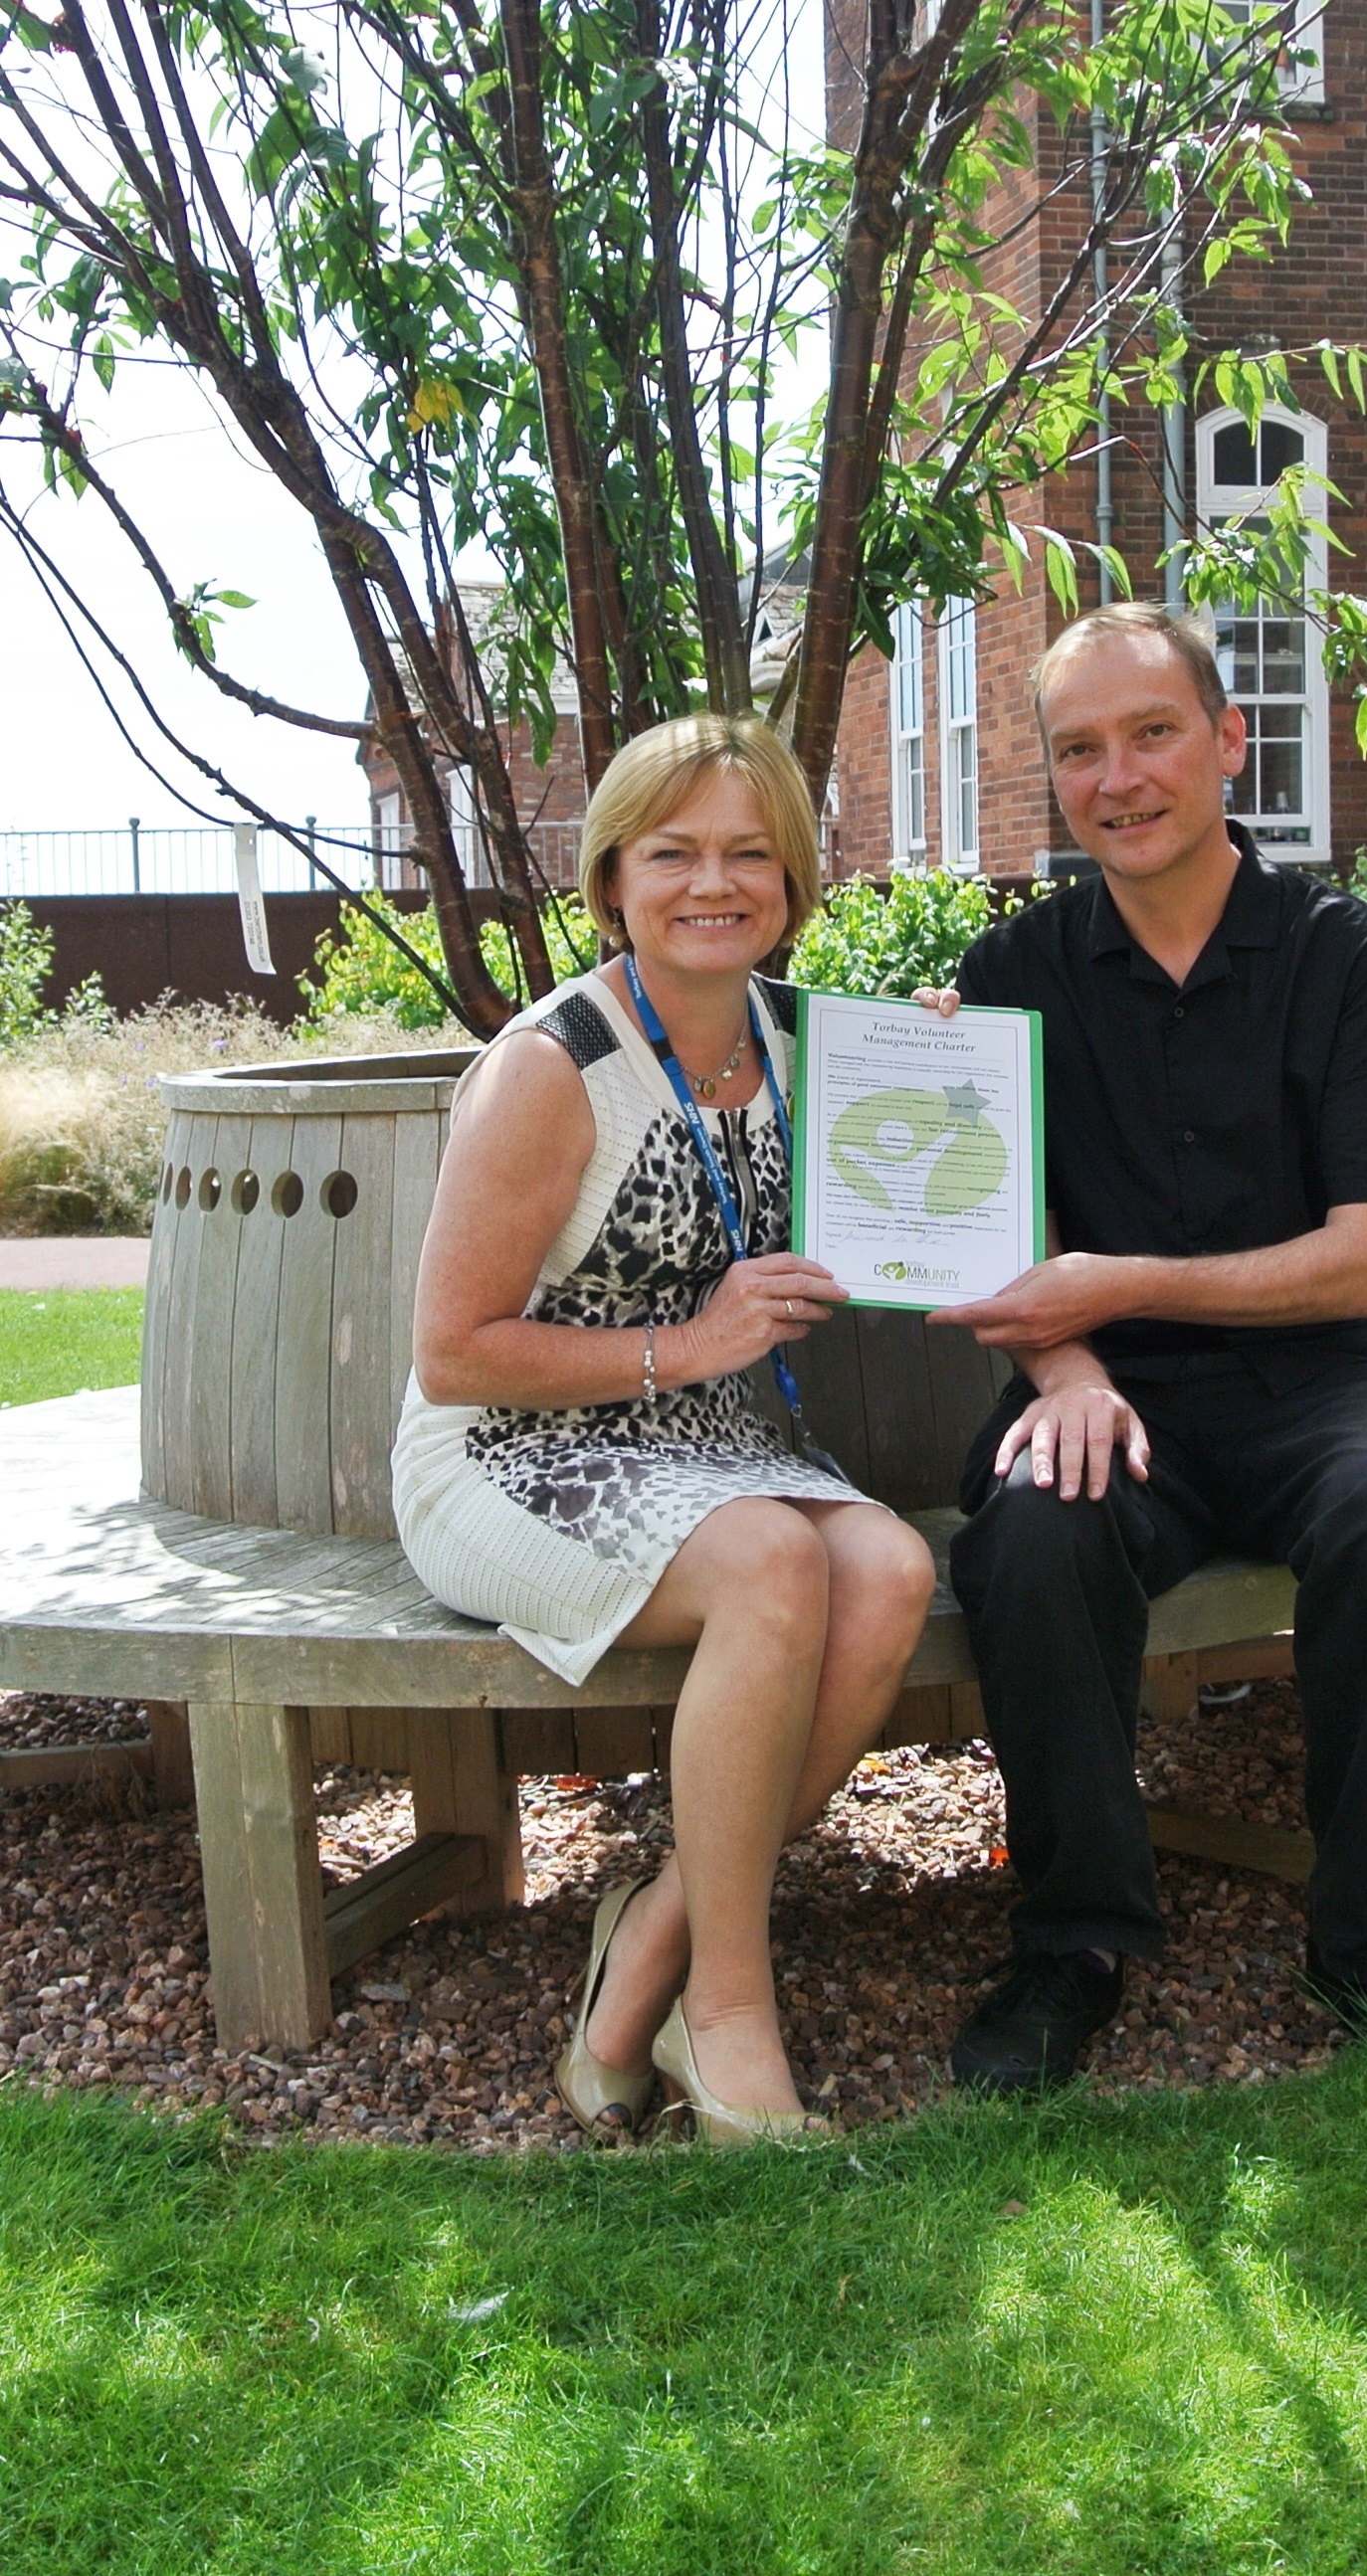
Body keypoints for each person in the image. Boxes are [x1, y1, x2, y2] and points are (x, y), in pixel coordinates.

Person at [920, 599, 1367, 2094]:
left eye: (1152, 732)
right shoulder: (1009, 974)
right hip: (1118, 1395)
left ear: (1227, 741)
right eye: (1080, 750)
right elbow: (988, 1250)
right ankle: (1073, 1944)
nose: (1119, 777)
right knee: (1036, 1528)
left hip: (1326, 1385)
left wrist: (1116, 1282)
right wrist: (1071, 1368)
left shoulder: (1338, 954)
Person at [394, 714, 936, 2143]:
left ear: (795, 881)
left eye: (750, 853)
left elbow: (951, 1195)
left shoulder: (813, 1043)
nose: (715, 881)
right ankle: (728, 2008)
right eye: (674, 851)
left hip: (707, 1448)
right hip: (501, 1454)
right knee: (775, 1564)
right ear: (613, 878)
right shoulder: (553, 1067)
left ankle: (648, 1930)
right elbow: (452, 1356)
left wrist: (948, 1067)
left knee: (885, 1572)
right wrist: (688, 1345)